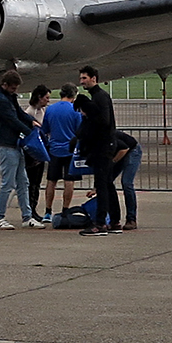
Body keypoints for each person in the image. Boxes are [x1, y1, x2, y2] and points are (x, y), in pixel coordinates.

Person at [0, 71, 42, 229]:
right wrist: (29, 132)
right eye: (13, 88)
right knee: (8, 183)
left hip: (14, 144)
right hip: (5, 145)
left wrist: (32, 121)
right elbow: (12, 120)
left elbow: (18, 112)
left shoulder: (9, 97)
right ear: (4, 85)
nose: (15, 91)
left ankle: (27, 216)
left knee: (23, 181)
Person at [76, 67, 120, 235]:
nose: (82, 81)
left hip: (104, 146)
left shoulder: (100, 97)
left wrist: (88, 112)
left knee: (102, 185)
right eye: (81, 78)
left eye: (85, 78)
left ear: (94, 78)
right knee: (108, 184)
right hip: (104, 145)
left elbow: (104, 121)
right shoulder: (97, 97)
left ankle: (100, 223)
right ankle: (115, 221)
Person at [39, 85, 82, 221]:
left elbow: (44, 129)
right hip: (70, 150)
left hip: (54, 149)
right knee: (69, 181)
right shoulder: (75, 110)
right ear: (73, 96)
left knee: (51, 181)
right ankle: (65, 209)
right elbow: (80, 130)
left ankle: (47, 210)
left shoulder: (50, 109)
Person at [24, 85, 51, 214]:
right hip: (33, 150)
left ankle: (33, 207)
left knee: (37, 181)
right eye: (46, 98)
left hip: (41, 149)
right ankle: (30, 209)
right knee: (32, 181)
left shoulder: (44, 111)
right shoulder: (30, 112)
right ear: (39, 98)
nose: (48, 100)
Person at [111, 129, 142, 230]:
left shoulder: (108, 135)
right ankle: (112, 218)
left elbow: (124, 148)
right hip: (119, 152)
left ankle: (131, 219)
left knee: (127, 183)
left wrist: (114, 161)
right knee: (107, 181)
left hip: (132, 150)